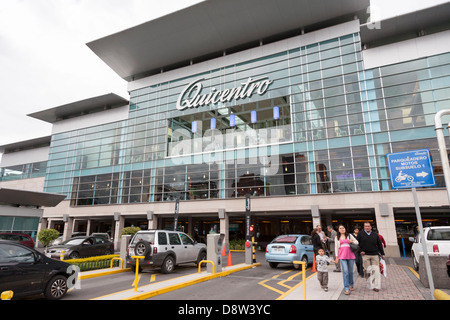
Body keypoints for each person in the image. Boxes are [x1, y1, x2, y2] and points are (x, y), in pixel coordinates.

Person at [356, 222, 385, 292]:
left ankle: (375, 285)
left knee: (375, 270)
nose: (367, 227)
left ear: (371, 227)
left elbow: (379, 244)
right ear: (364, 227)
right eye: (366, 226)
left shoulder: (375, 235)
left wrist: (382, 253)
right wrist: (360, 251)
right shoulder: (360, 234)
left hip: (374, 254)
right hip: (365, 255)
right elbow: (356, 244)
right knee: (367, 270)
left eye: (368, 226)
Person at [334, 224, 358, 295]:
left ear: (345, 229)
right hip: (342, 256)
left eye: (343, 228)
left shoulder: (349, 235)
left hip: (350, 255)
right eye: (340, 228)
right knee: (345, 272)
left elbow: (357, 242)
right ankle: (346, 288)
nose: (342, 229)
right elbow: (336, 247)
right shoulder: (337, 237)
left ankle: (351, 285)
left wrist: (351, 241)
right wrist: (336, 257)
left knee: (350, 272)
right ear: (338, 230)